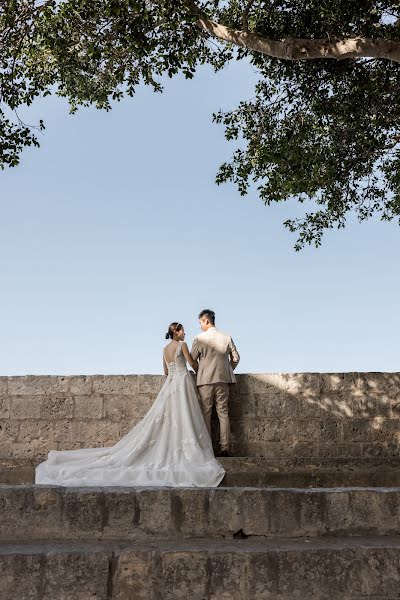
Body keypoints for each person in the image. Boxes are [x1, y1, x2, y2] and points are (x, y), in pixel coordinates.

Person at [35, 322, 225, 487]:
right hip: (182, 381)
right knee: (185, 417)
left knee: (172, 417)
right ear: (177, 332)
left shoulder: (164, 350)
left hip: (171, 384)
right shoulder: (182, 345)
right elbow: (192, 363)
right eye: (182, 331)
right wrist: (204, 367)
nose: (185, 333)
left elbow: (165, 372)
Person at [191, 309, 240, 457]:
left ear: (206, 321)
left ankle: (207, 449)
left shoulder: (199, 338)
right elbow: (236, 358)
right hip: (223, 379)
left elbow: (192, 360)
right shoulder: (226, 337)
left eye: (200, 323)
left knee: (206, 413)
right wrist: (227, 370)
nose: (200, 326)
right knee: (223, 413)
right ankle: (225, 448)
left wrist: (199, 370)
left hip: (205, 380)